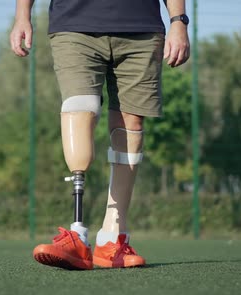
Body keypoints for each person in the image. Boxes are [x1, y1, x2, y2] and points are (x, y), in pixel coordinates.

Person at [10, 0, 190, 269]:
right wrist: (22, 15)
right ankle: (77, 235)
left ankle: (112, 240)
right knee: (80, 108)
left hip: (141, 28)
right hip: (75, 24)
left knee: (132, 124)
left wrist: (179, 21)